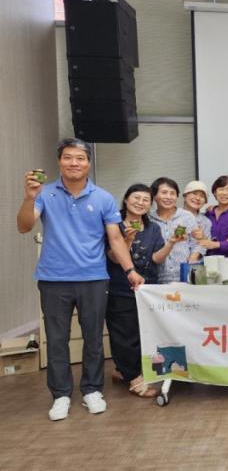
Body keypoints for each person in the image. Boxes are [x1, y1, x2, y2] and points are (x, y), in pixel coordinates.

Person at [16, 138, 144, 421]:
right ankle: (61, 395)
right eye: (68, 157)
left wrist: (130, 270)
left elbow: (115, 239)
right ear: (59, 161)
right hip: (53, 279)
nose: (74, 163)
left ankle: (92, 390)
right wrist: (28, 197)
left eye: (80, 158)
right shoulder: (44, 193)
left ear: (88, 163)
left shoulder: (103, 198)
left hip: (94, 278)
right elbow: (24, 226)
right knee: (57, 340)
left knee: (94, 338)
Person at [106, 184, 175, 398]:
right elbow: (113, 257)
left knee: (141, 333)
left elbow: (155, 258)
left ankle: (124, 370)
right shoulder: (113, 224)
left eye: (146, 200)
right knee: (124, 334)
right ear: (126, 199)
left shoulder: (153, 228)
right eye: (136, 197)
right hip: (120, 287)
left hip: (147, 289)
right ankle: (135, 379)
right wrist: (127, 240)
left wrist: (171, 243)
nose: (141, 202)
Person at [149, 177, 203, 283]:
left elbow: (197, 242)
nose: (168, 197)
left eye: (172, 193)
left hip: (185, 275)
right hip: (157, 278)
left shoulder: (186, 216)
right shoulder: (149, 219)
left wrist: (192, 260)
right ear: (154, 196)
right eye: (164, 192)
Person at [182, 180, 212, 244]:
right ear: (185, 196)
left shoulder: (206, 222)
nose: (198, 198)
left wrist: (202, 238)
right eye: (194, 193)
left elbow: (207, 246)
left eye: (202, 196)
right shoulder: (173, 216)